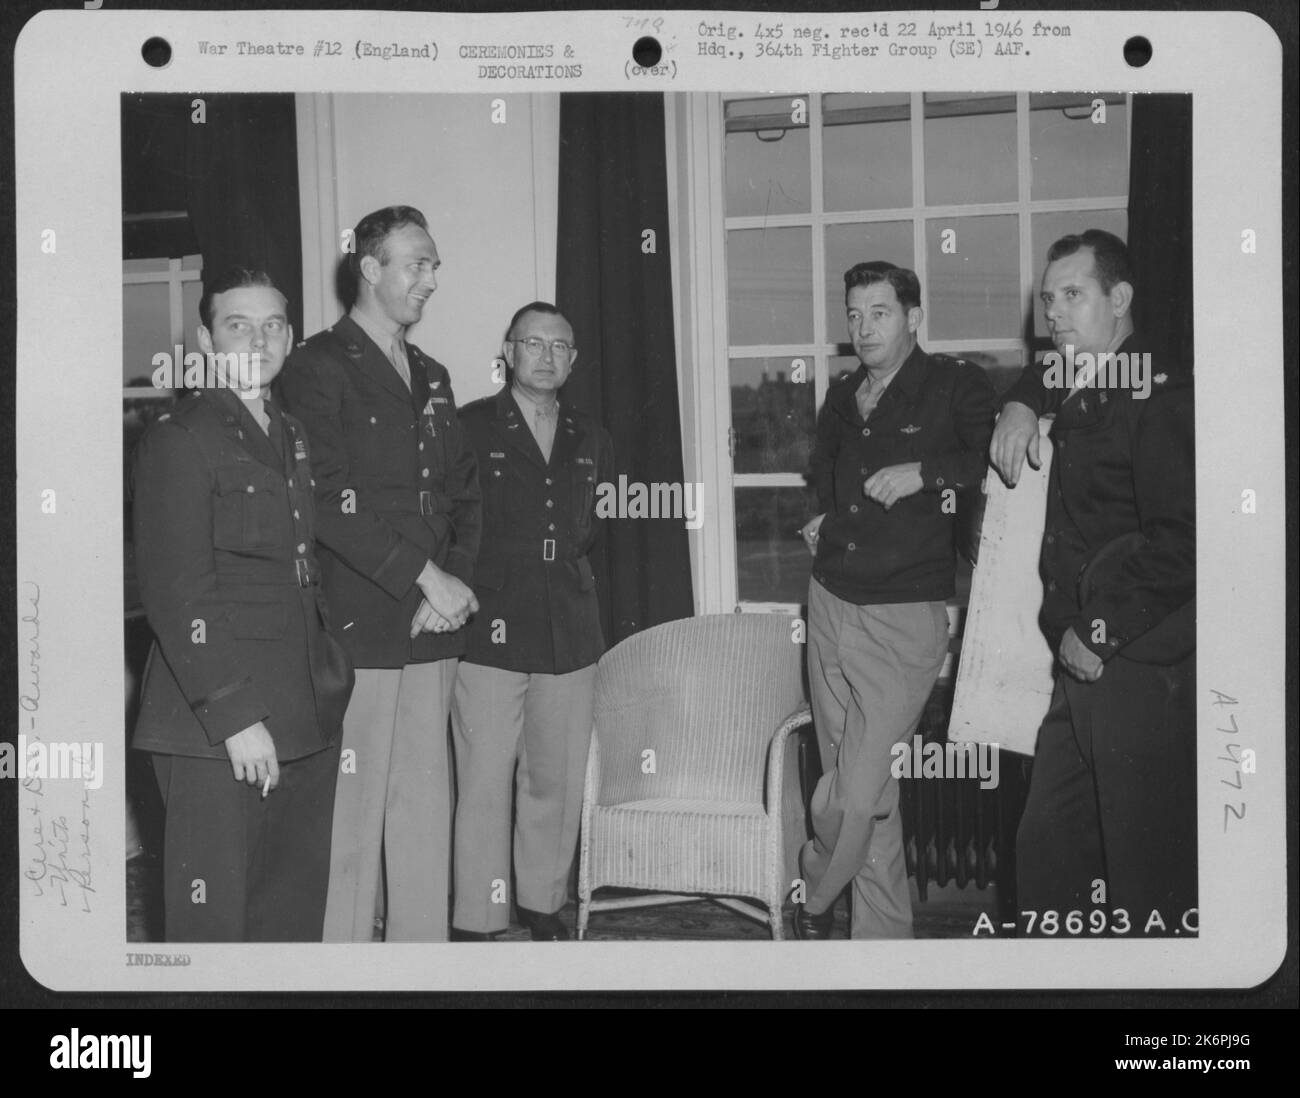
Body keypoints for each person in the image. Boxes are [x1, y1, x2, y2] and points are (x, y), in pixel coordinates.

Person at [278, 205, 481, 942]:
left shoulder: (433, 373)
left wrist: (452, 585)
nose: (432, 279)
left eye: (433, 265)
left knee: (425, 814)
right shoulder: (316, 366)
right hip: (362, 620)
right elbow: (324, 499)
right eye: (416, 263)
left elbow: (465, 492)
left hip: (435, 623)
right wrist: (426, 576)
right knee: (353, 819)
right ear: (369, 267)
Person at [132, 267, 353, 941]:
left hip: (303, 712)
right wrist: (235, 718)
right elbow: (177, 592)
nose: (259, 339)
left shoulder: (288, 431)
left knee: (288, 918)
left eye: (273, 324)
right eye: (238, 325)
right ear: (205, 338)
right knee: (214, 927)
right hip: (218, 723)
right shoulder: (180, 436)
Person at [990, 230, 1195, 936]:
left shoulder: (1158, 394)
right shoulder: (1085, 376)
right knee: (1046, 859)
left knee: (1148, 883)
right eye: (1049, 300)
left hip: (1133, 662)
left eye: (1073, 295)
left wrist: (1098, 633)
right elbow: (1046, 373)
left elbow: (1186, 541)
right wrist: (1019, 399)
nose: (1055, 314)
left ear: (1122, 297)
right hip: (1079, 668)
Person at [798, 261, 997, 939]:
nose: (862, 328)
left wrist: (925, 471)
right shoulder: (841, 395)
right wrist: (822, 513)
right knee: (873, 802)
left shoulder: (955, 385)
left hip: (903, 616)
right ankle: (881, 953)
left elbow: (993, 457)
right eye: (853, 314)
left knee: (856, 791)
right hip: (827, 602)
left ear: (914, 317)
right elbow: (823, 471)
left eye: (879, 312)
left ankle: (812, 890)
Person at [450, 303, 614, 941]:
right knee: (485, 776)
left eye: (560, 346)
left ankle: (543, 902)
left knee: (556, 773)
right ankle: (477, 916)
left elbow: (592, 526)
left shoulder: (590, 435)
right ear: (509, 351)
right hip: (489, 622)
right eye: (533, 343)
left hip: (569, 625)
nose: (546, 356)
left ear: (572, 360)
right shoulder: (469, 425)